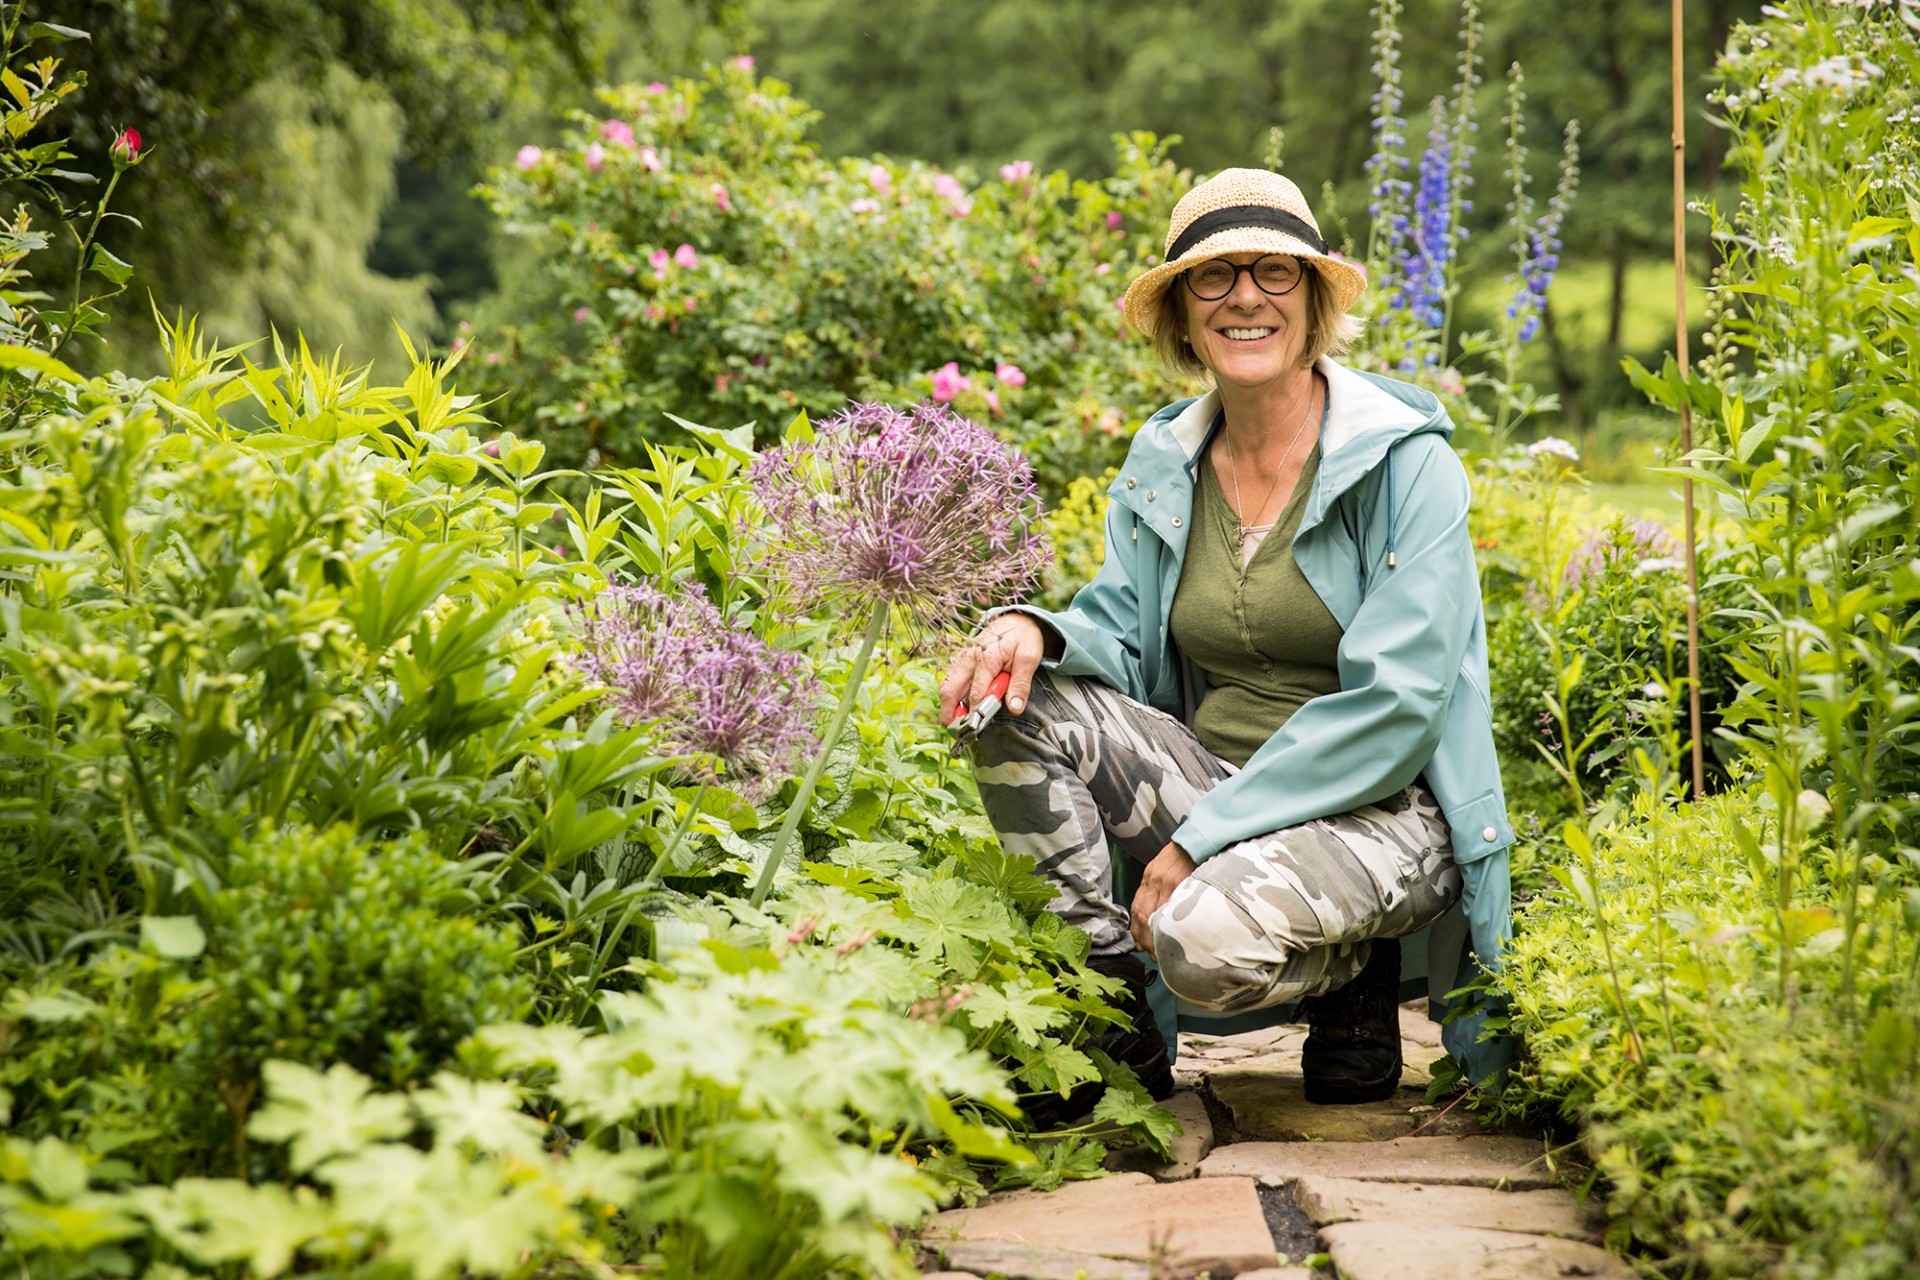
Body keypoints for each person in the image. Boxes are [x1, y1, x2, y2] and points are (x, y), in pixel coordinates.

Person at [940, 168, 1513, 1111]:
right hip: (1222, 781)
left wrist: (1200, 839)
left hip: (1383, 812)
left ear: (1315, 298)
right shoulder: (1168, 458)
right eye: (1214, 277)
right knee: (1014, 695)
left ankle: (1352, 972)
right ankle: (1106, 1009)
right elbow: (1118, 634)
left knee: (1199, 941)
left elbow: (1399, 707)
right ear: (1182, 314)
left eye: (1275, 273)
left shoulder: (1407, 465)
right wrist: (1025, 627)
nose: (1246, 296)